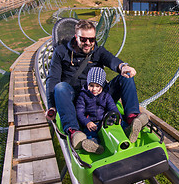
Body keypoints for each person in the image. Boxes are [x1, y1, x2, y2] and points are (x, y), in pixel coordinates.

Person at [45, 19, 149, 153]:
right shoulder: (61, 52)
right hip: (77, 98)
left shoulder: (97, 51)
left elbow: (110, 59)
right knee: (60, 88)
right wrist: (51, 106)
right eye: (83, 39)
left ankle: (132, 119)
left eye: (91, 39)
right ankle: (75, 132)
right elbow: (52, 79)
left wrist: (123, 66)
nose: (88, 43)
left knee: (126, 78)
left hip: (99, 94)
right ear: (76, 37)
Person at [75, 67, 120, 154]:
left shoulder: (106, 95)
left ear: (102, 86)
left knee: (118, 124)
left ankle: (128, 130)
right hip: (92, 123)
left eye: (97, 86)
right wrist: (87, 122)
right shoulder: (83, 96)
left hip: (105, 120)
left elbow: (112, 107)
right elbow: (79, 112)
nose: (94, 89)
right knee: (90, 133)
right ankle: (94, 145)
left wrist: (117, 116)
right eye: (91, 85)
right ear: (88, 84)